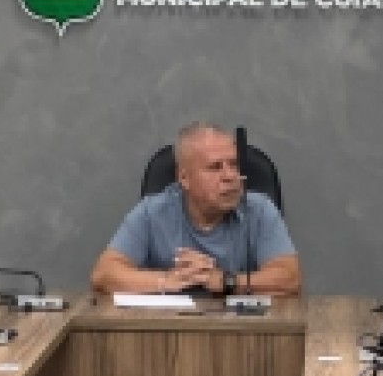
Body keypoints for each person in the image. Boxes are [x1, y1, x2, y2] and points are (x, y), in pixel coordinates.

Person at [91, 122, 301, 296]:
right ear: (184, 178)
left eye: (234, 165)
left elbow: (289, 278)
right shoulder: (151, 212)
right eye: (215, 167)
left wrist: (226, 281)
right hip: (168, 328)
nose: (230, 176)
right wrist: (167, 280)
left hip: (242, 330)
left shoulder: (259, 209)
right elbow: (104, 275)